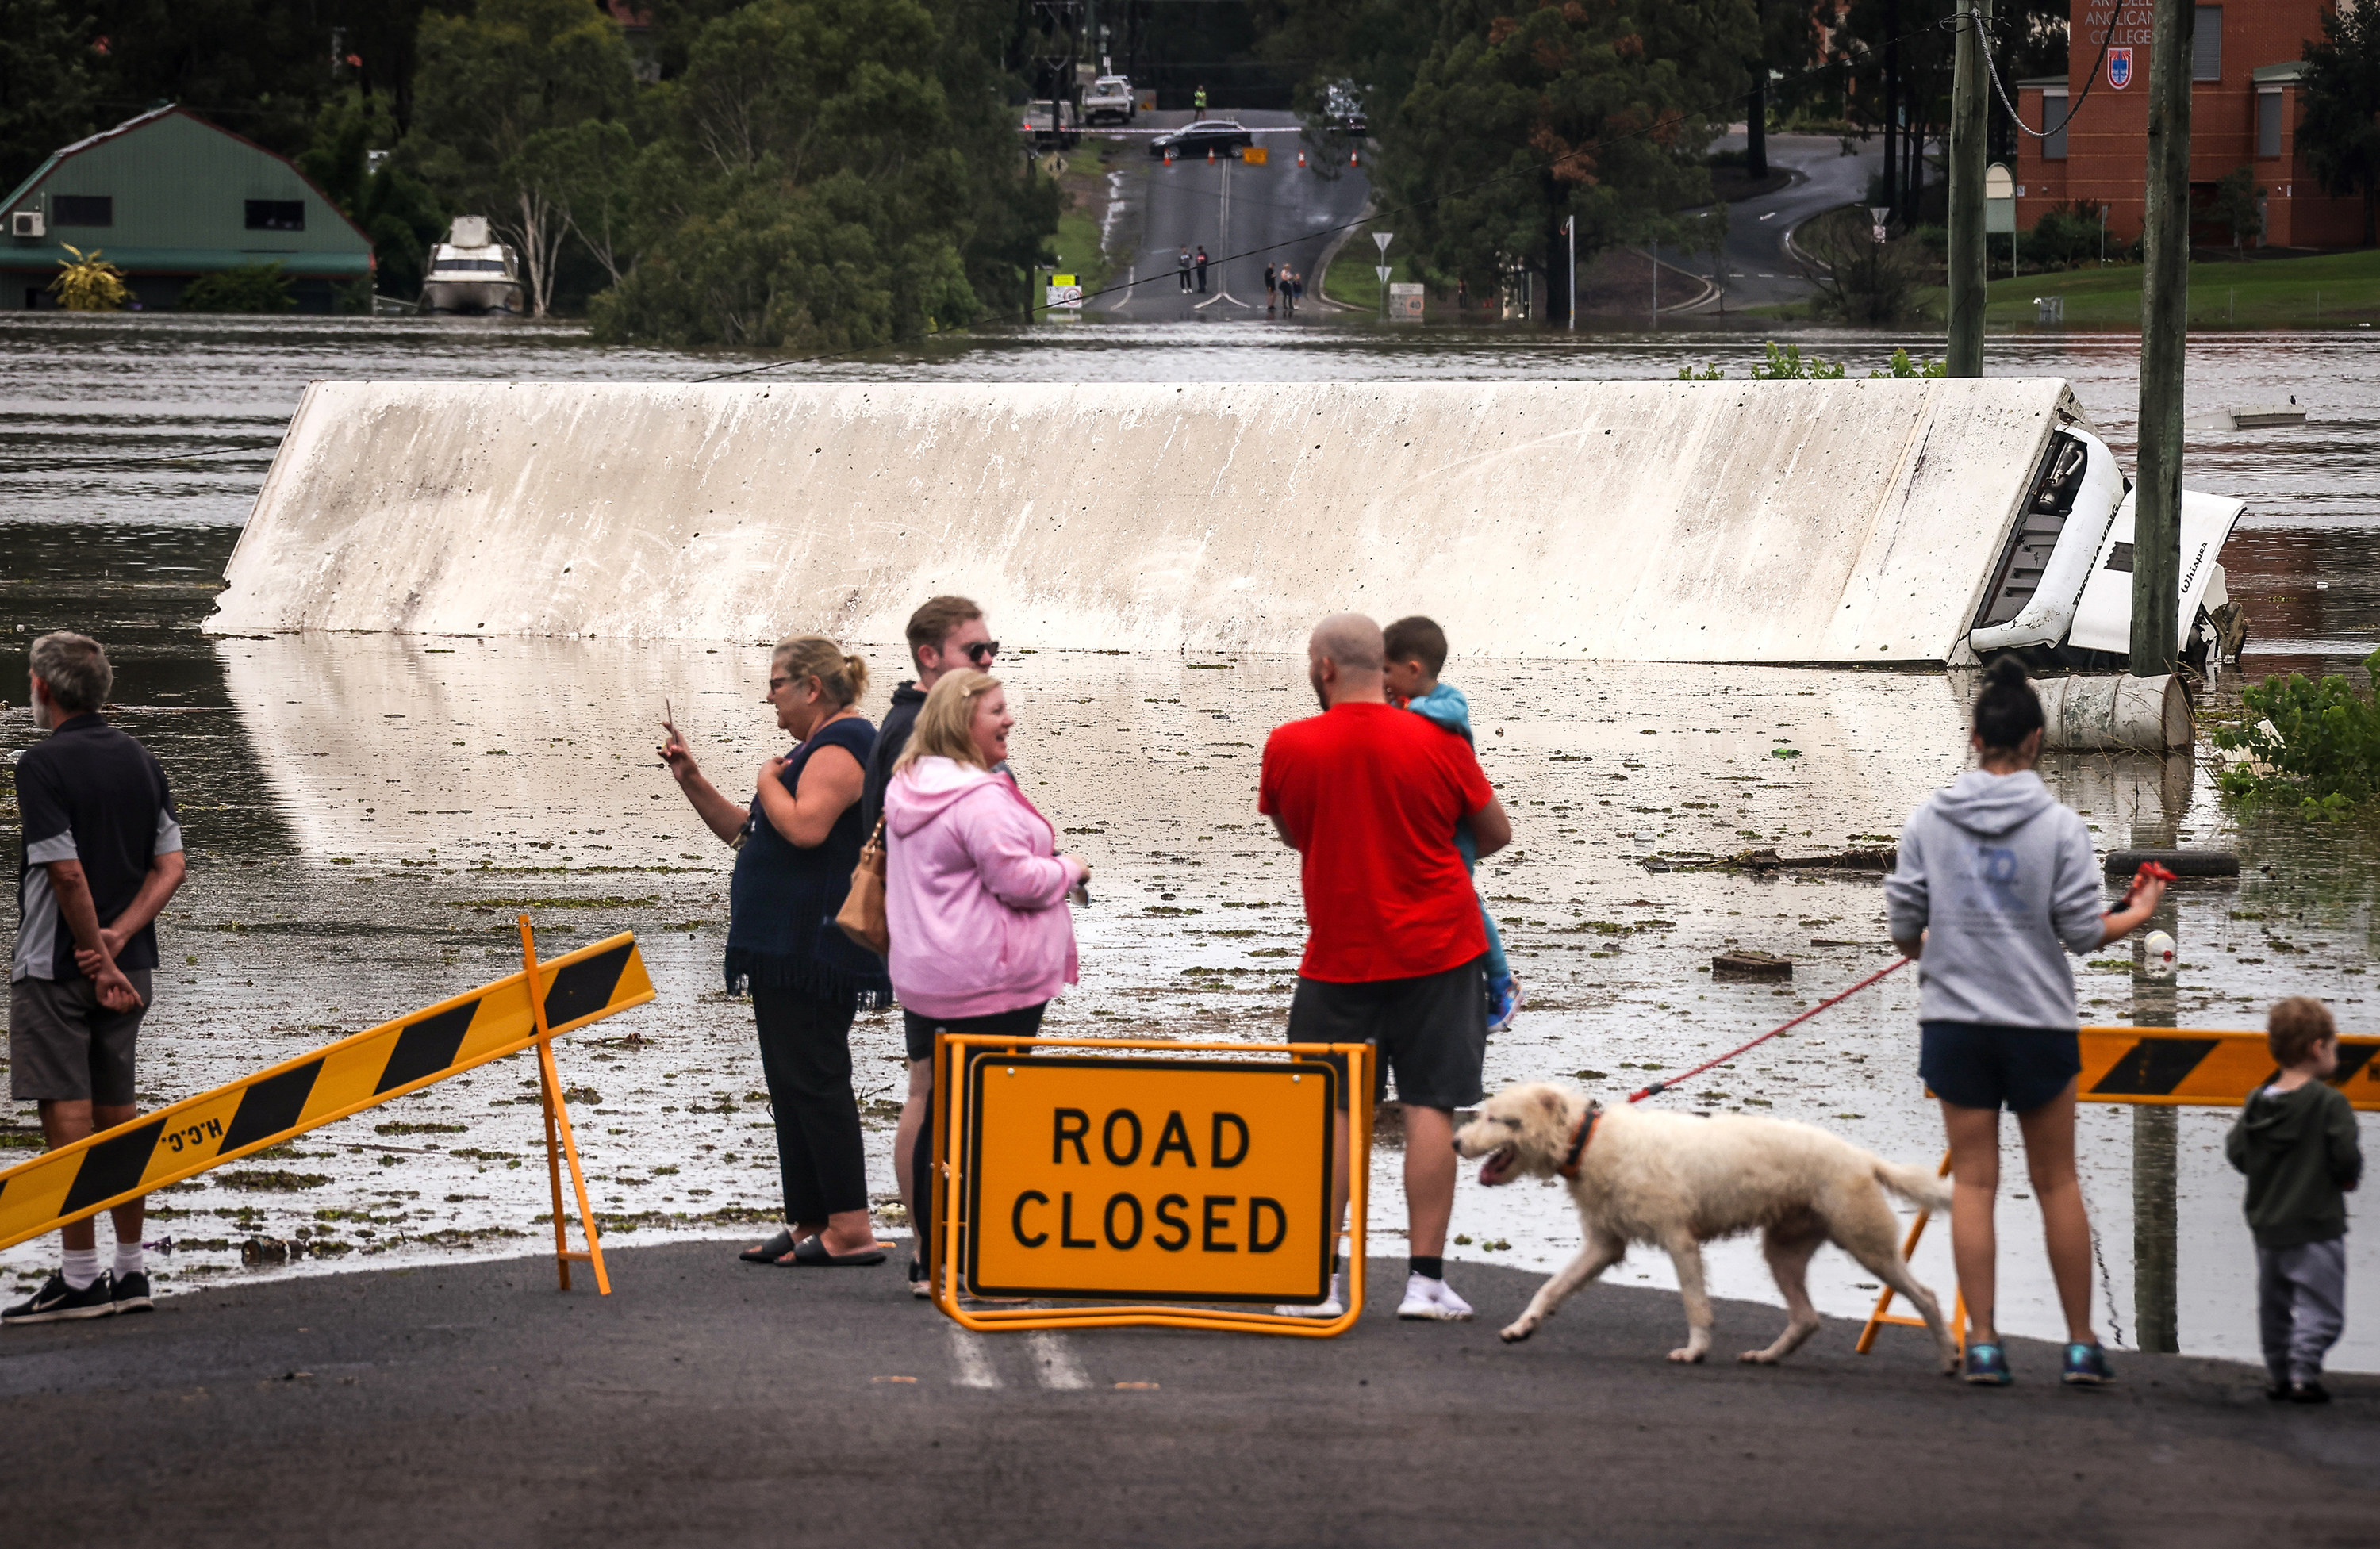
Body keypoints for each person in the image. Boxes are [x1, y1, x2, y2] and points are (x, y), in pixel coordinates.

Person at [1884, 658, 2165, 1386]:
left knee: (1974, 1184)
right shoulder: (2061, 827)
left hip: (1956, 1023)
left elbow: (1905, 928)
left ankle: (1983, 1343)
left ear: (1975, 736)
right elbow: (2079, 930)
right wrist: (2135, 913)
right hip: (2038, 1025)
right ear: (2036, 740)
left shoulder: (1929, 820)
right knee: (2057, 1182)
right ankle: (2079, 1346)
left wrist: (1927, 947)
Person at [1261, 613, 1511, 1322]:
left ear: (1326, 668)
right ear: (1385, 663)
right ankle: (1425, 1282)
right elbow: (1494, 833)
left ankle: (1319, 1282)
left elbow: (1292, 832)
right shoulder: (1439, 740)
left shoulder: (1289, 743)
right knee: (1431, 1104)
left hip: (1340, 954)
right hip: (1442, 950)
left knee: (1337, 1109)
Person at [660, 634, 892, 1267]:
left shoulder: (847, 743)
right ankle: (811, 1216)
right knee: (789, 1082)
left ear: (812, 687)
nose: (770, 697)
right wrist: (692, 779)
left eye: (778, 683)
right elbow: (751, 833)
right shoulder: (812, 749)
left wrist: (766, 778)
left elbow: (805, 825)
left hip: (814, 948)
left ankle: (851, 1225)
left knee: (816, 1078)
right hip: (783, 946)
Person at [883, 670, 1088, 1296]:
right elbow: (1018, 880)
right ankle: (979, 1264)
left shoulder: (910, 785)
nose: (1009, 720)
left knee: (943, 1112)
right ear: (962, 720)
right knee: (989, 1120)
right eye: (997, 710)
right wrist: (1070, 868)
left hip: (928, 973)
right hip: (991, 980)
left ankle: (930, 1260)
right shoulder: (978, 796)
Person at [4, 632, 186, 1325]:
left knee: (67, 1112)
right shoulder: (142, 759)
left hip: (57, 965)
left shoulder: (42, 763)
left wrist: (95, 954)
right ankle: (131, 1269)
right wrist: (120, 939)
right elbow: (170, 868)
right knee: (119, 1112)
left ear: (42, 689)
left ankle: (79, 1278)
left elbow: (65, 869)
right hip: (131, 965)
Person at [858, 595, 996, 1294]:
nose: (988, 661)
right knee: (932, 1090)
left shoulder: (905, 724)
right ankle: (930, 1249)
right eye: (976, 651)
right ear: (930, 657)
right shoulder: (919, 729)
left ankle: (931, 1249)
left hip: (924, 939)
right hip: (939, 941)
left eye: (990, 650)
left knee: (930, 1087)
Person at [1382, 616, 1522, 1033]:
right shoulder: (1406, 705)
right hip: (1437, 824)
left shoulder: (1444, 705)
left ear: (1413, 669)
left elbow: (1441, 718)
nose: (1382, 679)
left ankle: (1500, 981)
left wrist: (1405, 715)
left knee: (1464, 899)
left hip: (1454, 829)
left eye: (1387, 670)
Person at [2227, 996, 2362, 1404]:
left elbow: (2237, 1152)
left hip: (2268, 1227)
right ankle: (2304, 1373)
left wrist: (2265, 1172)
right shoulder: (2328, 1103)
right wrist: (2346, 1179)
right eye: (2334, 1046)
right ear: (2317, 1049)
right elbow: (2345, 1155)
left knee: (2274, 1304)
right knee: (2323, 1307)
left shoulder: (2256, 1103)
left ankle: (2278, 1373)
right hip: (2316, 1224)